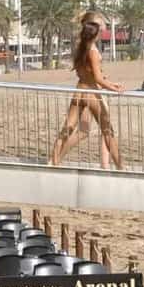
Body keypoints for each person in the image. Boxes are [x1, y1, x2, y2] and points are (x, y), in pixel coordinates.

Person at [49, 11, 124, 169]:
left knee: (68, 128)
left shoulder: (81, 48)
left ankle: (53, 161)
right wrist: (113, 88)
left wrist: (108, 82)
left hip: (79, 89)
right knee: (108, 131)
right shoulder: (93, 52)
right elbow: (97, 78)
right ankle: (121, 167)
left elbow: (85, 73)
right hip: (91, 92)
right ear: (95, 34)